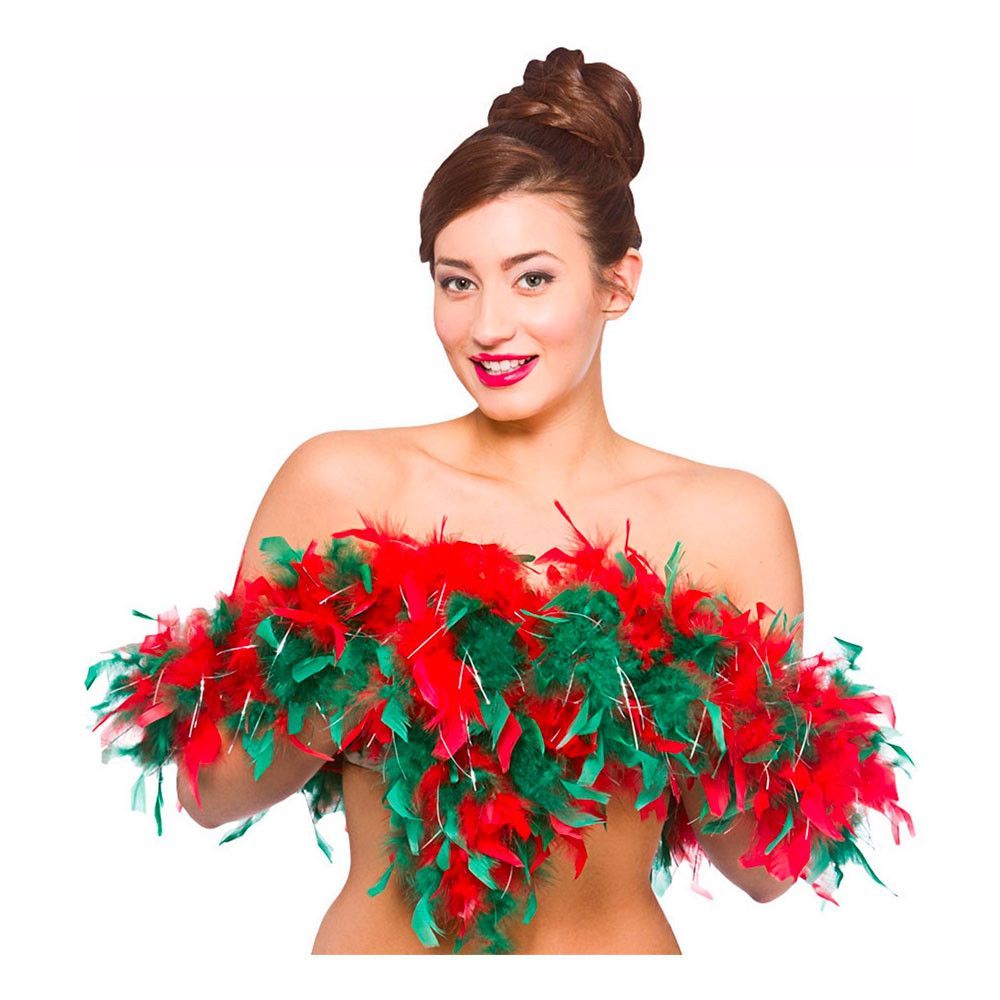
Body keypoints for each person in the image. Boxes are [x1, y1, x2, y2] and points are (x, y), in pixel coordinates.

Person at [87, 46, 912, 956]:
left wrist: (671, 696)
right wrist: (363, 678)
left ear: (617, 283)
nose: (487, 326)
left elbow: (767, 868)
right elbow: (208, 793)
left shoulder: (727, 520)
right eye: (457, 281)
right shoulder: (343, 484)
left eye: (533, 278)